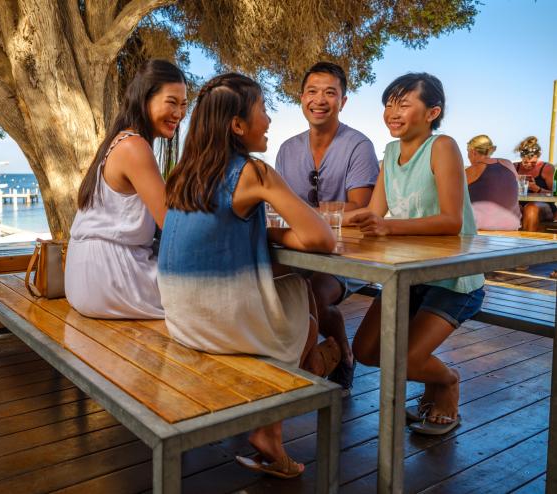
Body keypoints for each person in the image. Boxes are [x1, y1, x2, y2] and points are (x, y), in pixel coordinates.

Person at [159, 73, 338, 479]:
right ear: (237, 125)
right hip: (218, 327)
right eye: (263, 111)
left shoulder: (183, 174)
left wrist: (265, 231)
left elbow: (222, 228)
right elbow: (321, 239)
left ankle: (274, 422)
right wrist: (281, 234)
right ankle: (271, 431)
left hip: (181, 322)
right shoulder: (252, 172)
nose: (270, 121)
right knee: (301, 290)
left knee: (289, 292)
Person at [347, 73, 485, 436]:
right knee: (364, 350)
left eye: (404, 104)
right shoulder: (390, 152)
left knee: (407, 361)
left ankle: (447, 383)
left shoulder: (442, 146)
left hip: (454, 278)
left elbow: (451, 221)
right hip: (410, 276)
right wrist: (318, 219)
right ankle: (432, 378)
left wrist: (387, 227)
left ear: (432, 112)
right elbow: (373, 215)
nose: (393, 112)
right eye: (389, 104)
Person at [275, 61, 379, 390]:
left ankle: (343, 356)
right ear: (301, 98)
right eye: (312, 91)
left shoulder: (359, 145)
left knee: (314, 295)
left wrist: (305, 212)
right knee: (268, 288)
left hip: (347, 252)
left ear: (343, 102)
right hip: (300, 246)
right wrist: (323, 212)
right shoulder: (287, 149)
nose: (320, 99)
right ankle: (287, 369)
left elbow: (360, 208)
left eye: (330, 93)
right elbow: (279, 207)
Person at [65, 59, 188, 318]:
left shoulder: (120, 140)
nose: (179, 113)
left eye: (184, 104)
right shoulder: (134, 146)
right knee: (216, 292)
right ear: (145, 99)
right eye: (172, 102)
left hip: (87, 277)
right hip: (110, 275)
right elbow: (174, 224)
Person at [465, 135, 521, 231]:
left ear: (473, 152)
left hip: (483, 227)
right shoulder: (508, 163)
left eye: (467, 152)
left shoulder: (472, 171)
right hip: (512, 225)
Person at [514, 136, 555, 231]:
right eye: (525, 162)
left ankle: (527, 244)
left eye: (533, 163)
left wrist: (537, 189)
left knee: (531, 209)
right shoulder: (514, 167)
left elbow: (554, 193)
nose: (528, 165)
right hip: (519, 203)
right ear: (521, 158)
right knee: (515, 208)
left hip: (544, 205)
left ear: (538, 157)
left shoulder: (547, 168)